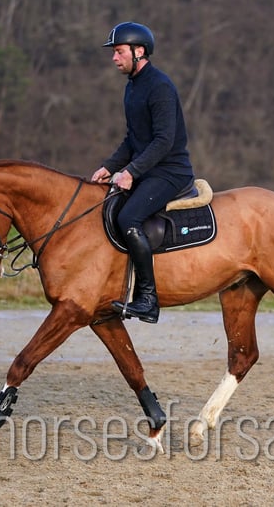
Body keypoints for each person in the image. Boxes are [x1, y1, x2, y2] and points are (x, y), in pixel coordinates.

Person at [91, 22, 195, 324]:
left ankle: (148, 299)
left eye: (119, 51)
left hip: (170, 172)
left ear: (139, 51)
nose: (114, 58)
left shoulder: (159, 86)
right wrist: (109, 166)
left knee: (128, 218)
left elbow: (163, 140)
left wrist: (131, 172)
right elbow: (132, 139)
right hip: (148, 170)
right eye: (114, 52)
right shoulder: (133, 86)